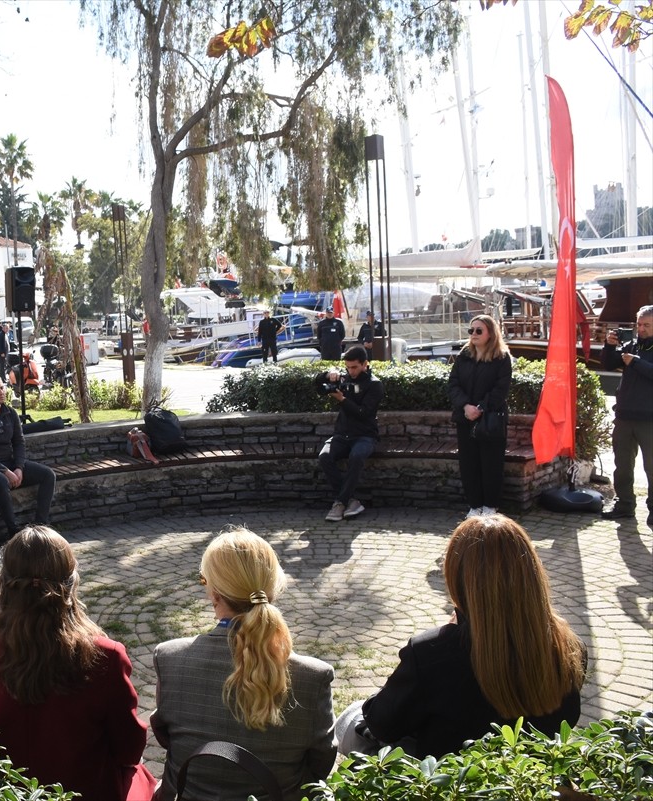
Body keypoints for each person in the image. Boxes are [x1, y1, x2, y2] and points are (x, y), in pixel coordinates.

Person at [335, 514, 586, 759]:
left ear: (457, 579)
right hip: (527, 776)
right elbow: (567, 719)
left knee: (349, 718)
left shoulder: (430, 652)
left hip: (450, 782)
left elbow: (381, 724)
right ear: (532, 573)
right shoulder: (570, 647)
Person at [0, 526, 158, 801]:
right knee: (144, 779)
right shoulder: (105, 656)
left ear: (4, 585)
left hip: (7, 796)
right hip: (89, 793)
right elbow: (129, 751)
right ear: (71, 585)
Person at [151, 528, 336, 801]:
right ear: (273, 587)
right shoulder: (314, 676)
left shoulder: (169, 658)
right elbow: (321, 763)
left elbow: (168, 739)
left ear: (215, 595)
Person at [0, 373, 56, 536]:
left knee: (48, 475)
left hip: (9, 462)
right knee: (1, 481)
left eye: (2, 388)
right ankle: (13, 531)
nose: (1, 392)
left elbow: (19, 442)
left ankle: (40, 525)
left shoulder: (10, 413)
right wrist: (5, 471)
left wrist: (19, 468)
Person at [448, 314, 512, 517]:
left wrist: (481, 408)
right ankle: (474, 505)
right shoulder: (464, 356)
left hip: (491, 419)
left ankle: (490, 506)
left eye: (478, 330)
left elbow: (500, 389)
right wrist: (465, 406)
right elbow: (453, 384)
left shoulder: (502, 358)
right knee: (469, 463)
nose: (473, 334)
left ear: (490, 334)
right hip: (465, 418)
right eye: (471, 330)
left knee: (491, 463)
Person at [315, 345, 382, 522]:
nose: (350, 371)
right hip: (342, 435)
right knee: (324, 456)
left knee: (356, 457)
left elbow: (364, 413)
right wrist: (328, 374)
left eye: (354, 367)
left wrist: (342, 400)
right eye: (348, 367)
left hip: (365, 435)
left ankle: (340, 503)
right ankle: (351, 501)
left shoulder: (374, 384)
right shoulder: (344, 378)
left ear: (365, 364)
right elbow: (317, 385)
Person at [601, 304, 653, 525]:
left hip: (649, 420)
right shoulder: (631, 345)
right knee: (622, 466)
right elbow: (608, 363)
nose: (641, 329)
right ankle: (624, 505)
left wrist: (637, 362)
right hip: (624, 417)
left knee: (651, 467)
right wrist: (609, 347)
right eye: (639, 324)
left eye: (647, 325)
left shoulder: (636, 355)